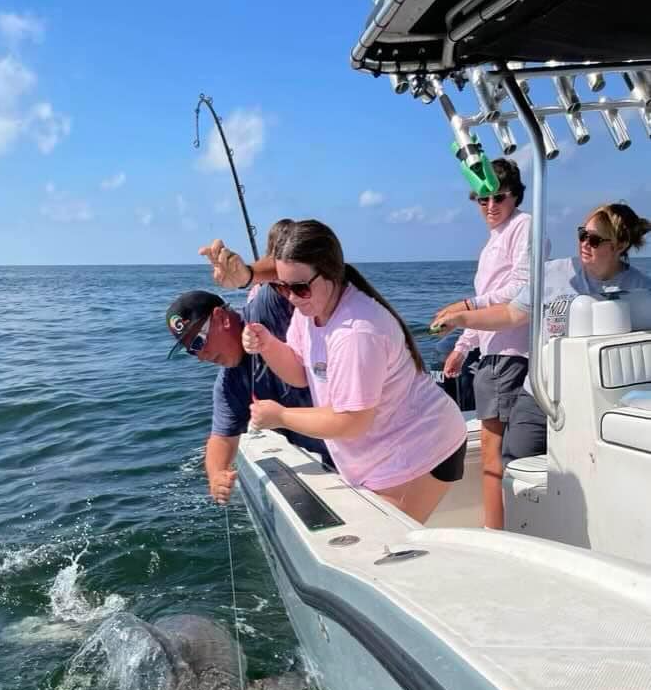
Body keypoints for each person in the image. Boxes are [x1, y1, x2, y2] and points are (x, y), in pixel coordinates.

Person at [201, 219, 468, 523]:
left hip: (421, 451)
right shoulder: (311, 309)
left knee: (380, 553)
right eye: (281, 287)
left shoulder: (356, 332)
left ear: (330, 272)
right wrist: (267, 344)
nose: (290, 297)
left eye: (299, 288)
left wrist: (281, 416)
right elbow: (301, 372)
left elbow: (351, 421)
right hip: (381, 456)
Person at [431, 201, 651, 465]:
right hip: (542, 394)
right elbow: (511, 314)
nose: (584, 243)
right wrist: (462, 318)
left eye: (594, 240)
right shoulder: (553, 274)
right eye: (582, 234)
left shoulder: (642, 290)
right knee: (515, 465)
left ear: (619, 246)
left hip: (597, 401)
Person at [434, 159, 532, 529]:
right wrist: (462, 346)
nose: (490, 206)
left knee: (496, 457)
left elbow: (522, 288)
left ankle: (498, 534)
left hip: (512, 356)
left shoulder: (524, 227)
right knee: (494, 457)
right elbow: (487, 298)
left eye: (498, 197)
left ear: (515, 196)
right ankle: (500, 530)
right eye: (482, 199)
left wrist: (469, 307)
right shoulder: (492, 243)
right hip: (490, 358)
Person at [166, 285, 330, 505]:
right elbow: (221, 438)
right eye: (191, 351)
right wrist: (216, 475)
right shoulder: (228, 385)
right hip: (335, 461)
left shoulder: (266, 308)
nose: (201, 357)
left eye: (198, 342)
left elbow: (293, 269)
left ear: (222, 318)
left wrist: (250, 273)